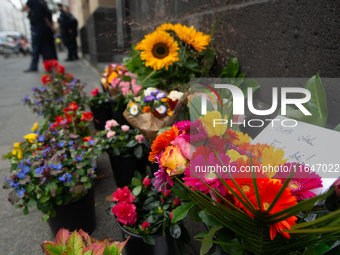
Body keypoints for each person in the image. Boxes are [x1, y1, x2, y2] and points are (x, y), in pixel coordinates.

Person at [22, 0, 56, 72]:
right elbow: (47, 17)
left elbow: (24, 7)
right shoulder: (42, 2)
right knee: (44, 47)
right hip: (43, 26)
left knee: (36, 47)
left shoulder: (32, 1)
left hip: (37, 26)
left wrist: (28, 10)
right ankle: (47, 66)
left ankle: (34, 66)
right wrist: (51, 27)